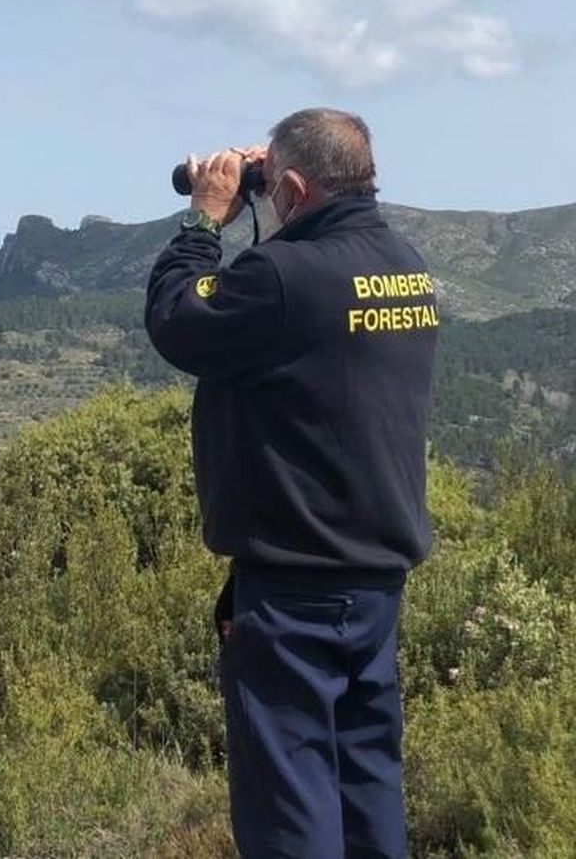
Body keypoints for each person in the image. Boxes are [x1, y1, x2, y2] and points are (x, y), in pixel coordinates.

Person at [144, 108, 440, 858]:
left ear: (298, 187)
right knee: (365, 784)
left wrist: (206, 219)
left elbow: (178, 321)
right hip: (374, 581)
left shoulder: (281, 277)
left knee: (289, 804)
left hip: (294, 587)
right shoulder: (406, 267)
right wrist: (273, 194)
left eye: (275, 185)